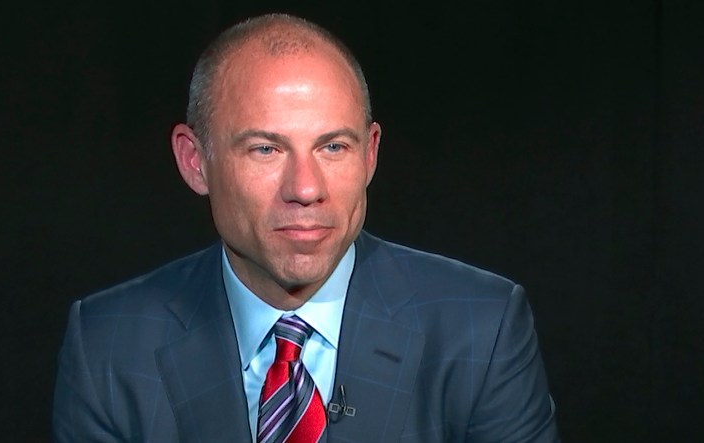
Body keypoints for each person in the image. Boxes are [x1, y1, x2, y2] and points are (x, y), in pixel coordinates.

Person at [52, 12, 559, 443]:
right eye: (266, 149)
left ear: (369, 154)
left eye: (332, 147)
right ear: (195, 162)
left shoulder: (481, 329)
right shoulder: (108, 345)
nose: (305, 188)